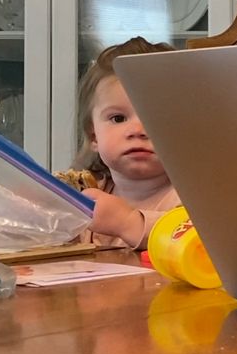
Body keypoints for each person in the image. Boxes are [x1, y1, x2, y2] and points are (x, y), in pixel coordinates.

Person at [70, 36, 181, 250]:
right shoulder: (87, 191)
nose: (137, 131)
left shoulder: (198, 202)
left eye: (154, 118)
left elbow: (207, 246)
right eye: (118, 119)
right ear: (93, 136)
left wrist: (128, 222)